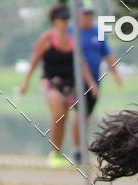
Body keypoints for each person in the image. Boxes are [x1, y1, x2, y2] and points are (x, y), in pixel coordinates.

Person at [19, 4, 97, 168]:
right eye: (62, 19)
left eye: (67, 19)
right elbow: (34, 60)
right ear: (54, 21)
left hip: (69, 84)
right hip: (51, 82)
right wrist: (25, 82)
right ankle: (54, 153)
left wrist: (91, 83)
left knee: (66, 118)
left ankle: (62, 152)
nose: (64, 22)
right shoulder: (46, 39)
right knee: (58, 114)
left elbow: (81, 63)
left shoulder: (72, 39)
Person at [69, 2, 123, 164]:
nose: (88, 18)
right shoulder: (72, 31)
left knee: (86, 115)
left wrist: (116, 74)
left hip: (95, 79)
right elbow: (79, 60)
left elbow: (107, 54)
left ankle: (82, 148)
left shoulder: (98, 32)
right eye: (85, 14)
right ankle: (77, 150)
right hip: (77, 80)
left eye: (90, 14)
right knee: (79, 113)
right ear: (78, 15)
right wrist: (89, 81)